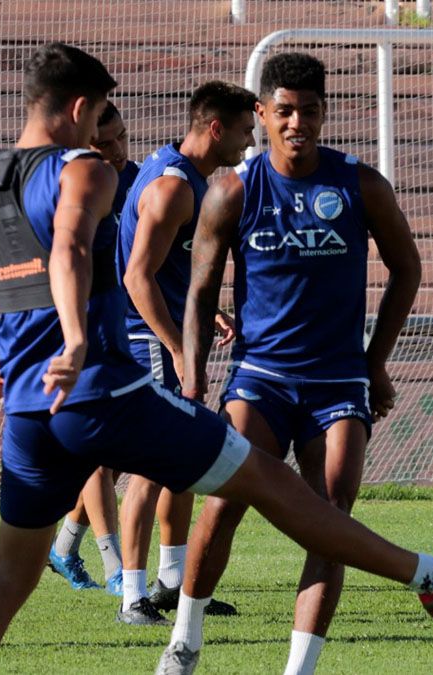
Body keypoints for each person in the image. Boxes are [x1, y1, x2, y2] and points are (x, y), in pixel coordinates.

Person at [0, 41, 433, 675]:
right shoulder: (83, 168)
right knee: (267, 479)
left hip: (30, 411)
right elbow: (70, 251)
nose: (105, 132)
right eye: (102, 113)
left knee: (8, 576)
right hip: (103, 392)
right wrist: (78, 340)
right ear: (81, 107)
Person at [158, 52, 425, 675]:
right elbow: (199, 291)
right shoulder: (232, 188)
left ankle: (298, 669)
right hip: (261, 378)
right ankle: (185, 640)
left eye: (308, 110)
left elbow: (407, 269)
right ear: (262, 113)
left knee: (331, 521)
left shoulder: (360, 185)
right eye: (283, 111)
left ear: (324, 113)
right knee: (224, 500)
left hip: (338, 381)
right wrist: (193, 372)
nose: (296, 122)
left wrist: (374, 362)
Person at [115, 80, 256, 625]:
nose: (248, 143)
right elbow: (135, 276)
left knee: (184, 461)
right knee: (150, 467)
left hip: (164, 334)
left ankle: (173, 582)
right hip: (147, 341)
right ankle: (131, 595)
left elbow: (166, 270)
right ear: (215, 129)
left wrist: (205, 313)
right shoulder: (175, 187)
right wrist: (176, 346)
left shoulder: (179, 172)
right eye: (244, 131)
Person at [47, 101, 141, 596]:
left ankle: (63, 546)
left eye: (123, 137)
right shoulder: (70, 185)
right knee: (101, 451)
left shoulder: (141, 180)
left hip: (134, 333)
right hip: (81, 339)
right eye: (105, 143)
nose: (117, 150)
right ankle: (116, 567)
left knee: (121, 451)